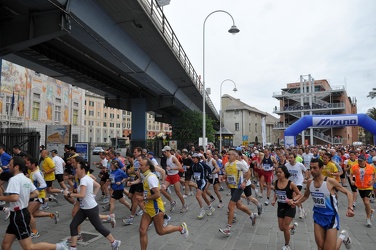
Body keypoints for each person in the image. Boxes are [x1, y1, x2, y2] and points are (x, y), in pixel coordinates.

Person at [0, 156, 68, 250]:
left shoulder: (14, 179)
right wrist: (24, 197)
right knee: (5, 245)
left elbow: (14, 197)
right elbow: (35, 193)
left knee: (29, 247)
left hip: (18, 215)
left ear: (16, 167)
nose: (8, 166)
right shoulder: (26, 179)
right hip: (19, 214)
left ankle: (60, 246)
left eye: (10, 165)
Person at [294, 158, 354, 250]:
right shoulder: (310, 182)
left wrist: (350, 208)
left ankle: (343, 236)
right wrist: (296, 202)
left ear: (322, 168)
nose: (312, 170)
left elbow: (348, 193)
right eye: (311, 168)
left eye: (315, 168)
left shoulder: (330, 181)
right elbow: (305, 196)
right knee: (320, 247)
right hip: (318, 216)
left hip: (331, 217)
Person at [63, 159, 121, 250]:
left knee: (98, 227)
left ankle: (114, 242)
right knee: (73, 225)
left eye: (77, 168)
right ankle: (73, 247)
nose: (75, 170)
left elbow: (82, 195)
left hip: (90, 208)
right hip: (84, 208)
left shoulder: (84, 180)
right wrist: (93, 195)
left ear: (82, 169)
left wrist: (69, 194)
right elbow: (97, 185)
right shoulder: (87, 177)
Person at [137, 156, 188, 250]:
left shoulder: (151, 178)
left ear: (148, 166)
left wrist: (143, 198)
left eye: (141, 165)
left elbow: (157, 194)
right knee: (142, 230)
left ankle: (180, 228)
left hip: (156, 208)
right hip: (148, 208)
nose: (139, 167)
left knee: (160, 231)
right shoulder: (145, 176)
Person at [219, 149, 258, 235]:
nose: (228, 156)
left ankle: (228, 228)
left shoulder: (239, 163)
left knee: (231, 206)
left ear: (235, 156)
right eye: (227, 154)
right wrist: (224, 178)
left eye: (229, 154)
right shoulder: (226, 164)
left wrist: (244, 182)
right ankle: (252, 215)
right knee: (239, 206)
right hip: (233, 188)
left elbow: (248, 172)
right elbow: (227, 175)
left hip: (239, 187)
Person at [271, 166, 302, 250]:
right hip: (280, 206)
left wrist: (293, 199)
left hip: (290, 207)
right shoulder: (276, 182)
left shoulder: (291, 183)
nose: (278, 174)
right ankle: (292, 227)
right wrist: (274, 200)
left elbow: (299, 194)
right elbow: (276, 192)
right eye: (277, 172)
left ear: (285, 173)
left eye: (280, 172)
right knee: (281, 228)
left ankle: (287, 245)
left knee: (285, 227)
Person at [349, 155, 376, 227]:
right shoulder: (354, 167)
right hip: (360, 187)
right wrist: (352, 180)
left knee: (367, 202)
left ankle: (368, 219)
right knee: (365, 203)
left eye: (361, 161)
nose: (359, 162)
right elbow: (351, 175)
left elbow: (374, 175)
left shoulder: (371, 167)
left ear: (365, 161)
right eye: (359, 160)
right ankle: (370, 211)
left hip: (368, 187)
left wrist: (373, 181)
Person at [188, 153, 215, 219]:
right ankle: (211, 208)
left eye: (194, 158)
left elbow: (209, 168)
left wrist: (208, 175)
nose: (193, 159)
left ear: (197, 158)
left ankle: (202, 210)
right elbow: (191, 172)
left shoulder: (202, 164)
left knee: (197, 196)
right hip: (198, 182)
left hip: (203, 182)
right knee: (204, 196)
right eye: (192, 158)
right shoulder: (193, 165)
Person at [161, 146, 187, 213]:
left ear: (168, 151)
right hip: (169, 176)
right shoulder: (167, 158)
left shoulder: (173, 157)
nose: (164, 153)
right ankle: (172, 202)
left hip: (175, 176)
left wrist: (171, 169)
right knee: (162, 189)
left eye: (165, 152)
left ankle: (184, 205)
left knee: (177, 192)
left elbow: (180, 167)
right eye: (163, 152)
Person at [107, 160, 131, 227]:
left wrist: (121, 182)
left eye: (111, 165)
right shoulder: (112, 171)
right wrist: (109, 181)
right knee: (122, 201)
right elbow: (112, 179)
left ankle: (110, 216)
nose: (110, 166)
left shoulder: (119, 171)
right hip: (115, 188)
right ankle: (131, 209)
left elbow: (126, 177)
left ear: (114, 166)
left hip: (118, 188)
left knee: (112, 202)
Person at [285, 152, 308, 219]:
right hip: (290, 183)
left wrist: (306, 178)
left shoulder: (299, 165)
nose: (290, 159)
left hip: (299, 182)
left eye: (291, 158)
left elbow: (306, 170)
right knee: (293, 196)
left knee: (294, 195)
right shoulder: (286, 165)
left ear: (295, 158)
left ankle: (300, 210)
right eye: (289, 158)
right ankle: (302, 209)